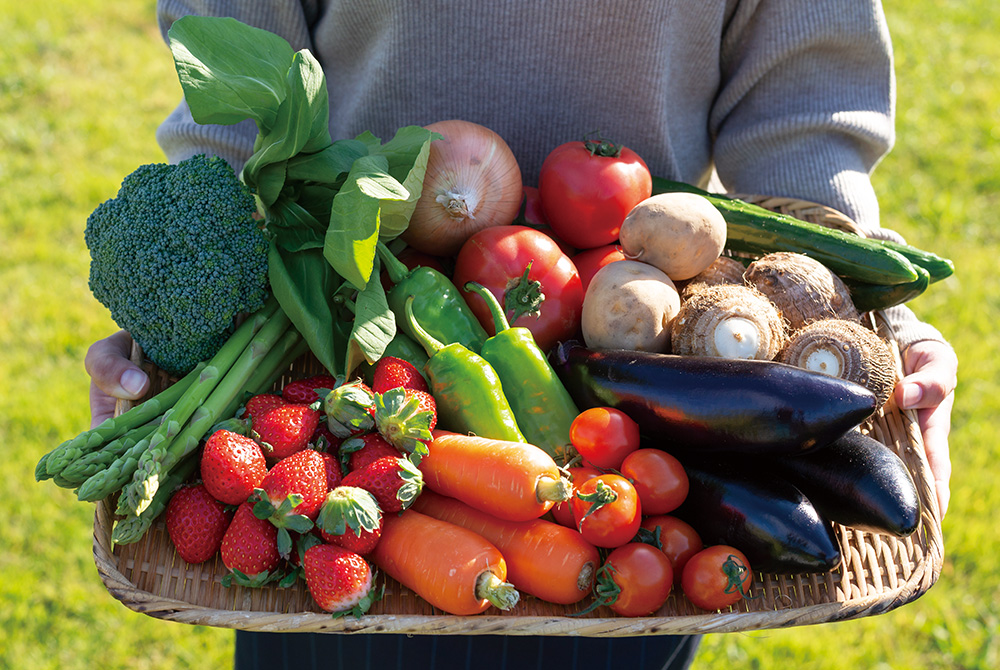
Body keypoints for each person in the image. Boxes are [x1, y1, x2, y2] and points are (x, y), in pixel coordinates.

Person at [83, 1, 958, 668]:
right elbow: (234, 75)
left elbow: (808, 107)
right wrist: (183, 310)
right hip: (339, 338)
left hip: (647, 340)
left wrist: (860, 318)